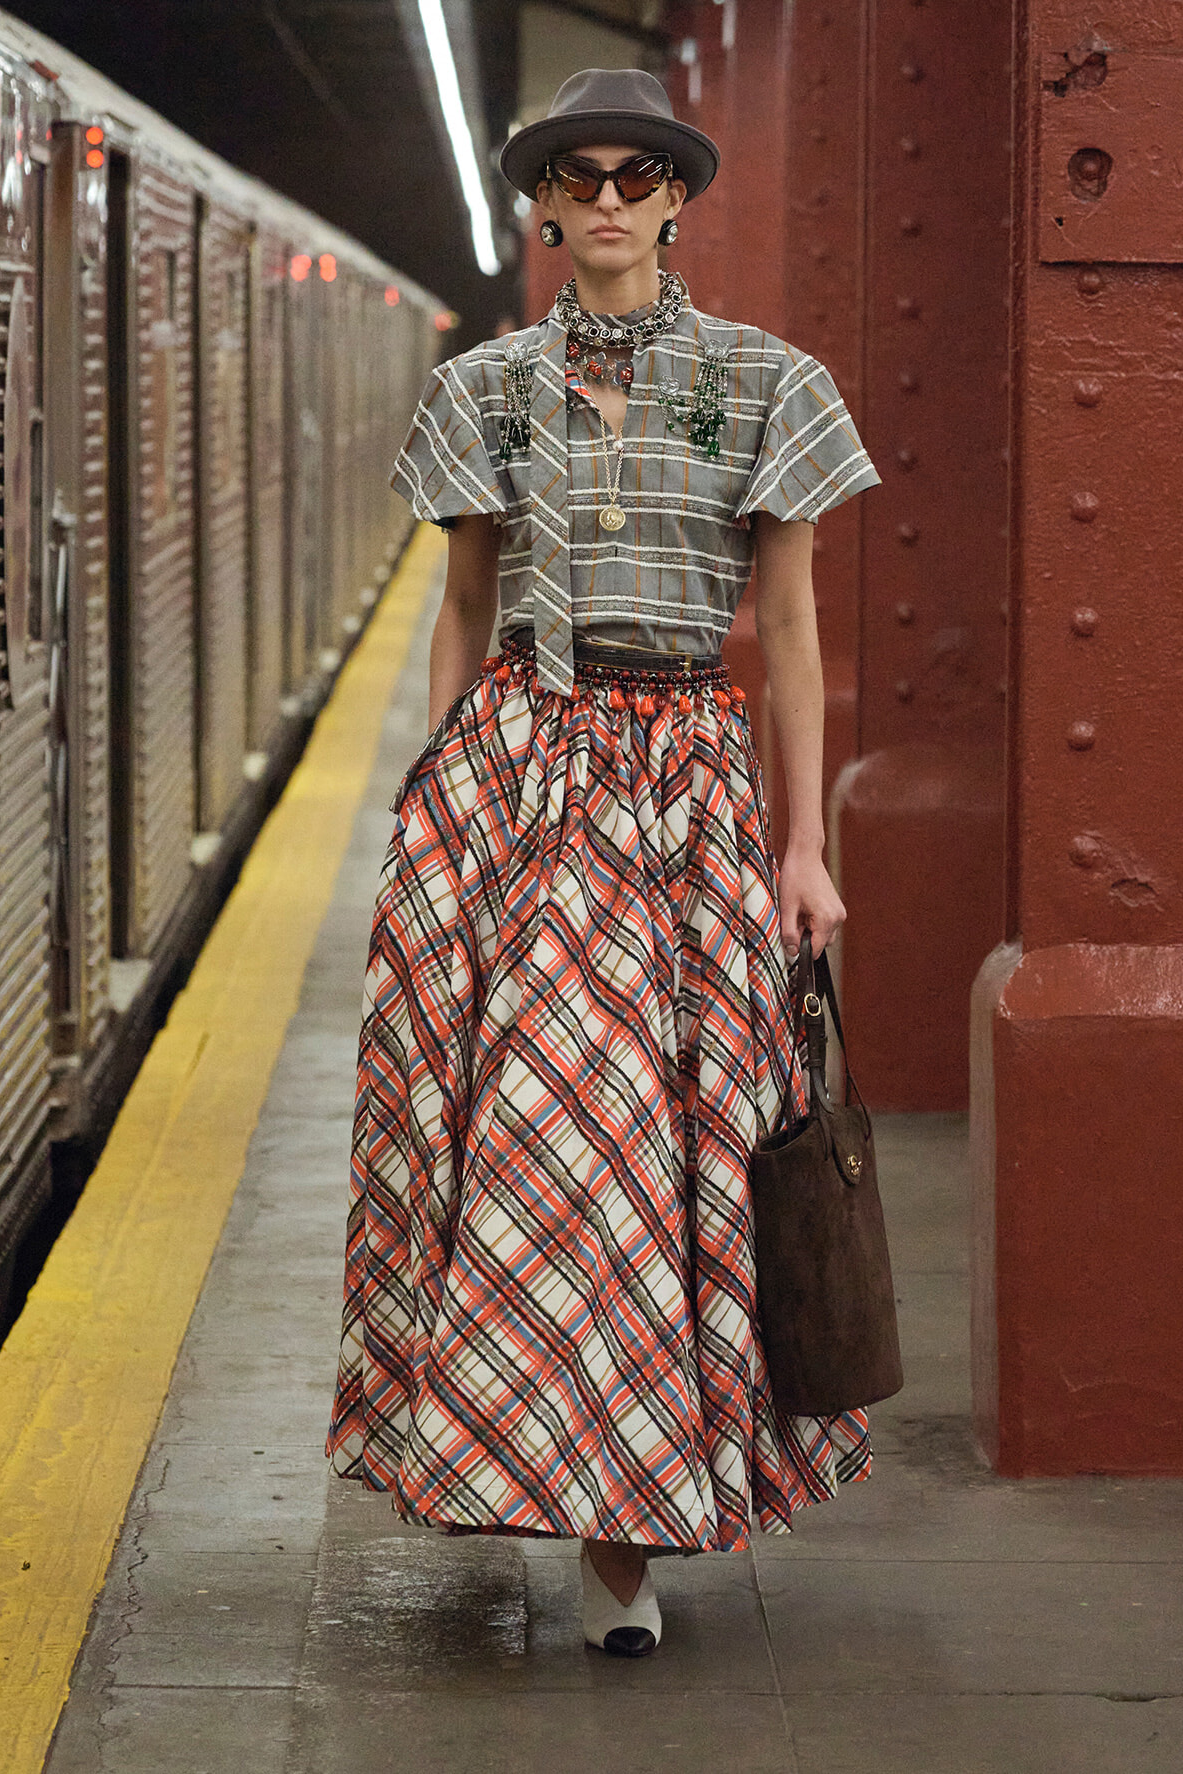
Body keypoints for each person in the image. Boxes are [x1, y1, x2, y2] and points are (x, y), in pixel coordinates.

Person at [327, 68, 882, 1658]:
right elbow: (458, 606)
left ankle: (626, 1518)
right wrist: (434, 790)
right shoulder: (487, 391)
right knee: (543, 1138)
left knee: (672, 1146)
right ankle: (565, 1491)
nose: (617, 198)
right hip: (525, 768)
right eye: (586, 175)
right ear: (551, 206)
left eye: (645, 174)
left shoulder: (772, 384)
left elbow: (786, 631)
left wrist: (807, 843)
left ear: (677, 199)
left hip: (692, 783)